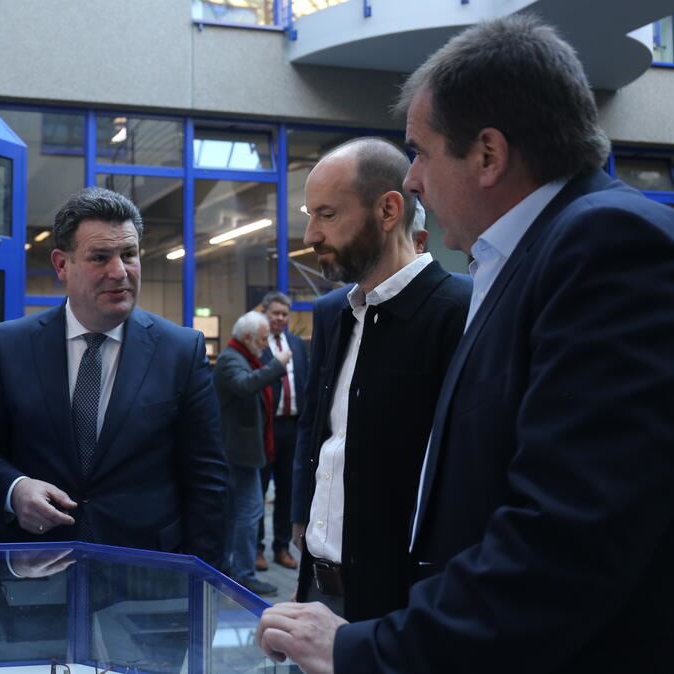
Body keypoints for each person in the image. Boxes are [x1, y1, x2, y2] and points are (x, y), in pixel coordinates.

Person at [260, 15, 674, 673]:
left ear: (488, 154)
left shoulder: (607, 247)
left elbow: (565, 542)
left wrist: (360, 648)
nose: (414, 180)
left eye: (420, 152)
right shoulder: (522, 261)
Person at [0, 187, 228, 566]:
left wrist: (205, 586)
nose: (119, 272)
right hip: (37, 570)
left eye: (129, 255)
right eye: (100, 257)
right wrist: (14, 490)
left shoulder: (180, 350)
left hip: (145, 575)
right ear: (62, 265)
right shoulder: (13, 344)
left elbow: (208, 480)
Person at [286, 137, 470, 622]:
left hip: (406, 604)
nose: (310, 235)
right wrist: (302, 529)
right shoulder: (334, 313)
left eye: (327, 215)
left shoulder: (463, 313)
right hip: (319, 587)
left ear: (389, 210)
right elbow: (317, 429)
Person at [214, 311, 290, 596]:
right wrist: (278, 365)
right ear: (246, 337)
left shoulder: (244, 357)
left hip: (244, 451)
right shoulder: (230, 360)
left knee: (238, 513)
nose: (265, 344)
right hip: (238, 453)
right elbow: (247, 385)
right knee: (249, 512)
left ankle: (226, 568)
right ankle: (243, 574)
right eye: (261, 339)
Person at [255, 291, 309, 573]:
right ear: (265, 314)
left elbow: (307, 382)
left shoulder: (298, 345)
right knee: (260, 489)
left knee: (288, 490)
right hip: (266, 427)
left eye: (284, 314)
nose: (280, 318)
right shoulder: (257, 345)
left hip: (293, 427)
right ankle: (256, 550)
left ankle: (281, 547)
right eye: (275, 313)